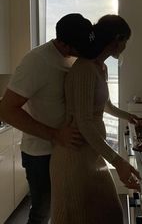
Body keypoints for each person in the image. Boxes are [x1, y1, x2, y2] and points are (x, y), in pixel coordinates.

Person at [0, 13, 92, 224]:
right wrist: (55, 135)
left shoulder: (69, 57)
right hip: (40, 155)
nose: (81, 52)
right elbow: (6, 110)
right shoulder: (37, 61)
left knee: (61, 209)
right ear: (63, 43)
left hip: (62, 150)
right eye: (78, 47)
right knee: (42, 212)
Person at [50, 14, 141, 224]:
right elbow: (84, 121)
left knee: (110, 214)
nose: (125, 46)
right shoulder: (84, 68)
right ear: (117, 39)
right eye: (125, 41)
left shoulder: (101, 67)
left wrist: (127, 116)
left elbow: (103, 105)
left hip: (91, 153)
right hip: (74, 159)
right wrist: (118, 162)